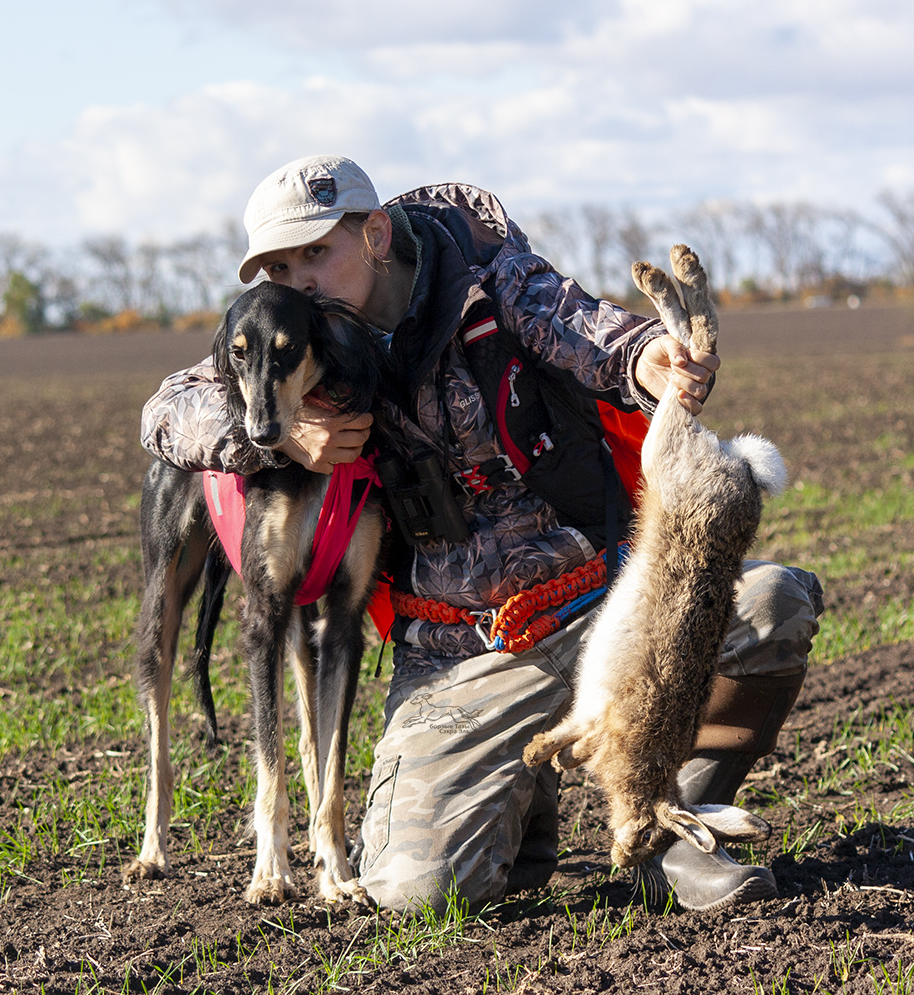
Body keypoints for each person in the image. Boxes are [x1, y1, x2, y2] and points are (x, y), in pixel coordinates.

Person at [141, 155, 823, 913]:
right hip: (461, 652)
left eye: (315, 253)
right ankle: (521, 798)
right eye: (277, 265)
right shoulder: (303, 346)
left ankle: (671, 832)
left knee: (769, 604)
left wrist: (648, 359)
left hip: (608, 606)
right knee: (413, 892)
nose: (298, 280)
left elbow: (582, 329)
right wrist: (280, 436)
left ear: (373, 234)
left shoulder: (488, 283)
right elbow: (167, 412)